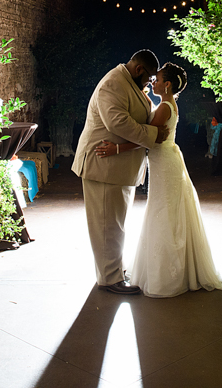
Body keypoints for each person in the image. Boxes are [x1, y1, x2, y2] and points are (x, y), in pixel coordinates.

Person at [96, 62, 222, 298]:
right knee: (167, 211)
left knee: (163, 212)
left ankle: (167, 275)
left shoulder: (164, 109)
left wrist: (116, 150)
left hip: (165, 164)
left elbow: (145, 137)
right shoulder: (167, 104)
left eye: (157, 79)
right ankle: (172, 269)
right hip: (166, 160)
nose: (153, 81)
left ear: (167, 84)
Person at [72, 50, 170, 295]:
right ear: (139, 70)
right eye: (148, 79)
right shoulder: (113, 84)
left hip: (117, 167)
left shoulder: (127, 82)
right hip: (103, 165)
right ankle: (109, 279)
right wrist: (153, 135)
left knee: (114, 224)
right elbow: (117, 122)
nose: (148, 84)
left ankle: (114, 270)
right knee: (106, 225)